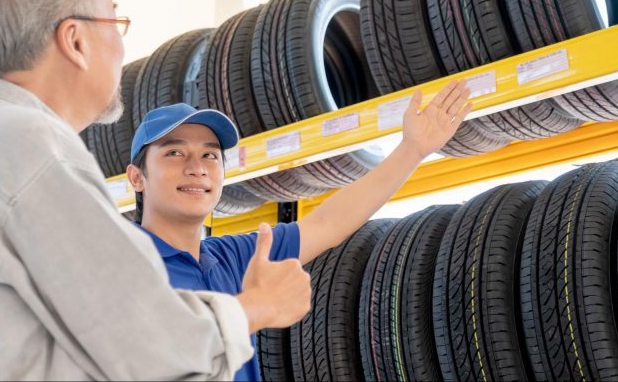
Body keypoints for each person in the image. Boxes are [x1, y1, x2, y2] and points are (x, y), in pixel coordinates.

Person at [0, 0, 312, 380]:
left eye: (209, 155)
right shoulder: (31, 149)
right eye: (115, 22)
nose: (122, 49)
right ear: (75, 41)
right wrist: (255, 307)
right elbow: (144, 345)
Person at [126, 80, 472, 381]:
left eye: (210, 156)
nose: (196, 169)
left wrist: (412, 149)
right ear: (137, 177)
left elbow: (328, 223)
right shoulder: (120, 267)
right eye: (174, 153)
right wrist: (255, 307)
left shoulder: (234, 257)